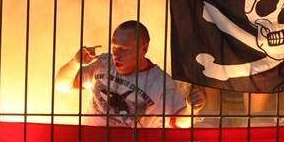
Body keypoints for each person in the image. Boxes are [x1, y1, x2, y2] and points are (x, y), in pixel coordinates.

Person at [55, 20, 205, 128]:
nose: (116, 54)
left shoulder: (161, 82)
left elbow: (179, 122)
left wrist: (192, 109)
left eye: (124, 49)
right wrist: (74, 63)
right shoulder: (103, 62)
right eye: (114, 47)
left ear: (143, 49)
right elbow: (60, 86)